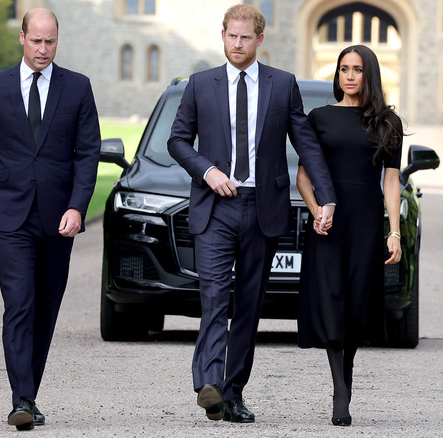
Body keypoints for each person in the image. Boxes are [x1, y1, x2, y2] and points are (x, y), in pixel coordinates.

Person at [168, 4, 337, 423]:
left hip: (263, 208)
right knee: (213, 296)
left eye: (245, 38)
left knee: (248, 305)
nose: (237, 44)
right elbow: (177, 141)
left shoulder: (282, 85)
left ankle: (233, 393)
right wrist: (207, 171)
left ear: (259, 40)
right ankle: (208, 383)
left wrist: (327, 195)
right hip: (215, 207)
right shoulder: (199, 84)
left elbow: (306, 143)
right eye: (231, 36)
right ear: (222, 35)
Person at [0, 7, 100, 432]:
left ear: (58, 40)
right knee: (18, 304)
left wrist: (77, 206)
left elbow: (88, 153)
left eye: (50, 41)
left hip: (60, 217)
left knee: (45, 309)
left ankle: (29, 394)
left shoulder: (77, 87)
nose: (43, 49)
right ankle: (21, 397)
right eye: (36, 41)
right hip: (10, 215)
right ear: (22, 38)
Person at [296, 44, 403, 426]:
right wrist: (315, 212)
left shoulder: (388, 122)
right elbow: (304, 174)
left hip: (366, 222)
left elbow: (392, 180)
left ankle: (345, 382)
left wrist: (394, 231)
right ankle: (341, 392)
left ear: (369, 74)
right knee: (331, 301)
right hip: (330, 223)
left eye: (357, 69)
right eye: (344, 69)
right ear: (338, 74)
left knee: (356, 304)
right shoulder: (319, 117)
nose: (350, 76)